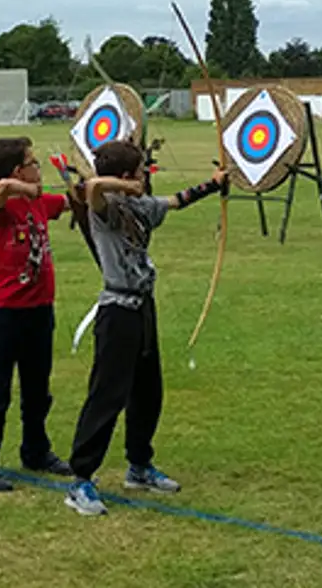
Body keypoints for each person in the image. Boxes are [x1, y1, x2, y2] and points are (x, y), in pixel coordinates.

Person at [61, 140, 226, 517]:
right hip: (116, 311)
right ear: (126, 177)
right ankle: (80, 480)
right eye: (140, 171)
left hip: (142, 310)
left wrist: (214, 183)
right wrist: (124, 186)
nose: (145, 177)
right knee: (107, 396)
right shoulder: (105, 208)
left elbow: (177, 200)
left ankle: (139, 466)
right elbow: (89, 189)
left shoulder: (140, 207)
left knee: (148, 392)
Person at [0, 136, 76, 493]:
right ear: (18, 170)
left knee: (37, 391)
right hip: (4, 315)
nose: (38, 167)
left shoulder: (40, 204)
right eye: (33, 162)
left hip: (39, 312)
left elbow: (76, 200)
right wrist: (23, 188)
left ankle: (36, 450)